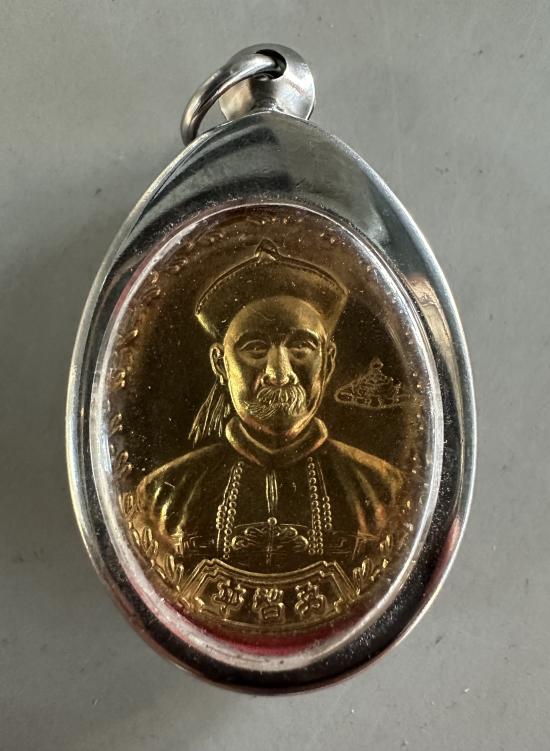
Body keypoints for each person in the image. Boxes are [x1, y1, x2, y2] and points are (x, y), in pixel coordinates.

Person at [136, 240, 402, 574]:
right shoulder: (161, 497)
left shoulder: (384, 489)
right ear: (219, 364)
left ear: (329, 361)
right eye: (255, 348)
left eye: (301, 347)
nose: (279, 374)